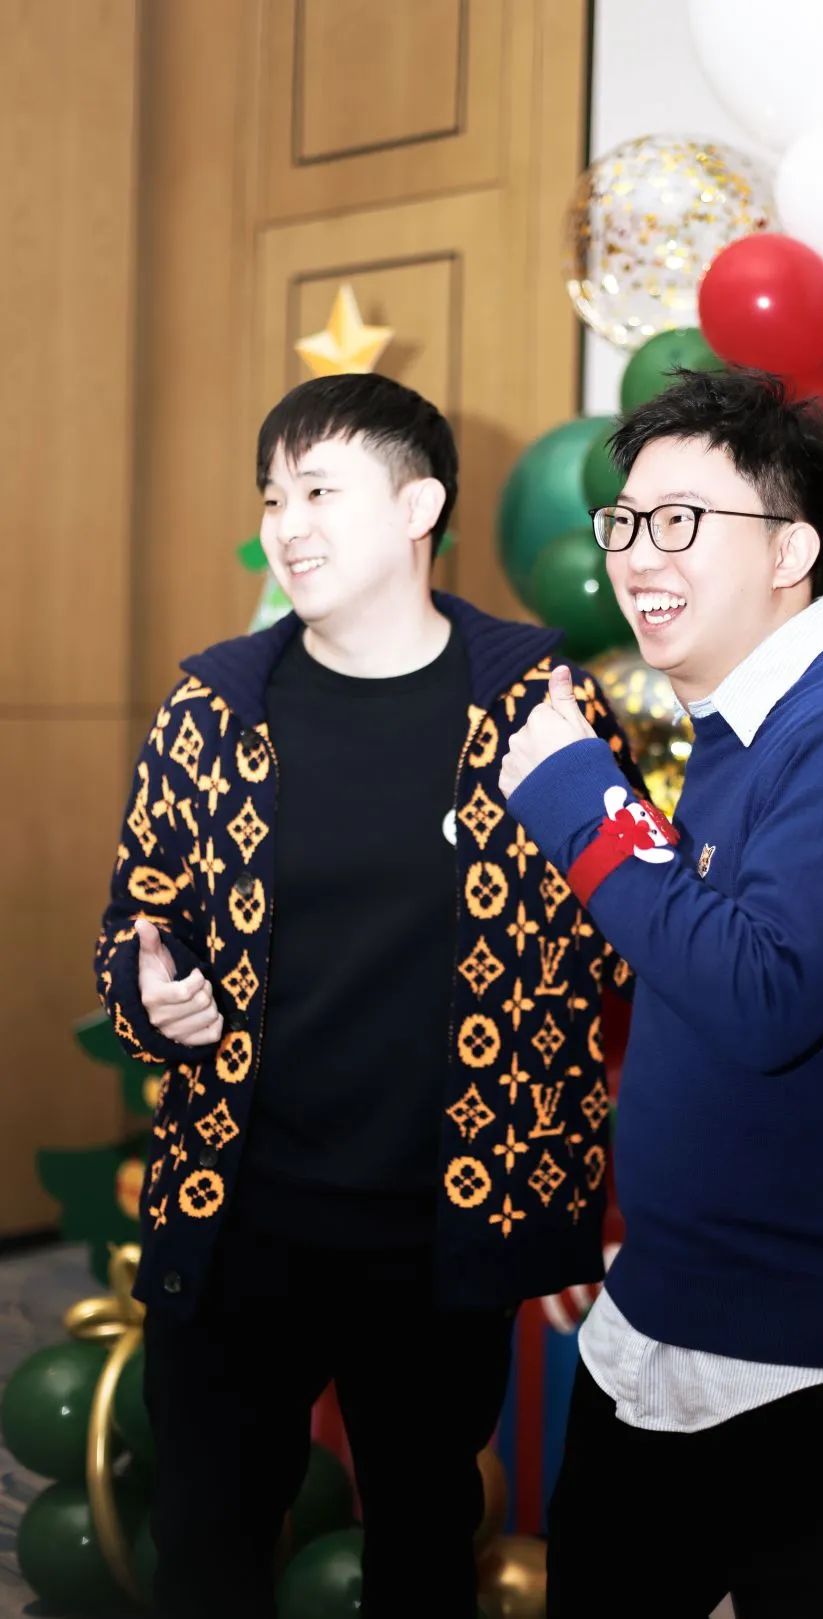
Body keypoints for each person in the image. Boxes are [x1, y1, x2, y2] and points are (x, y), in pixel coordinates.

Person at [94, 372, 636, 1619]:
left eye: (319, 491)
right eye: (272, 496)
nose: (286, 524)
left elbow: (622, 934)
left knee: (422, 1545)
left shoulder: (536, 704)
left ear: (417, 506)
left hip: (440, 1228)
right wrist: (149, 985)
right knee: (207, 1547)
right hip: (239, 1214)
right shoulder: (212, 709)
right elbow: (137, 917)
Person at [499, 367, 823, 1619]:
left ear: (791, 549)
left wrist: (579, 796)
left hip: (820, 1359)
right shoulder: (737, 730)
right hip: (673, 1315)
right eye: (624, 520)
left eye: (680, 519)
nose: (635, 552)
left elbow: (763, 991)